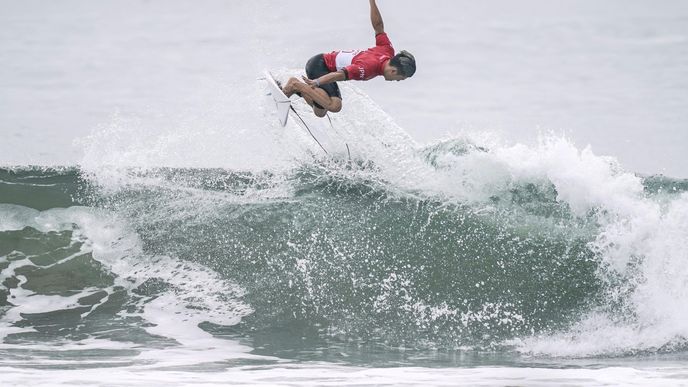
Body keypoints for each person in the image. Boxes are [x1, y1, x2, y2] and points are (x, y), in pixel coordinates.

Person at [281, 0, 416, 118]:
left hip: (324, 66)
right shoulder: (368, 68)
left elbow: (378, 26)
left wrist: (372, 1)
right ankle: (296, 85)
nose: (398, 81)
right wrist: (316, 82)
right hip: (320, 65)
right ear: (393, 71)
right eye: (400, 78)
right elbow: (339, 75)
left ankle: (296, 87)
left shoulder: (387, 50)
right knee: (335, 105)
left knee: (320, 111)